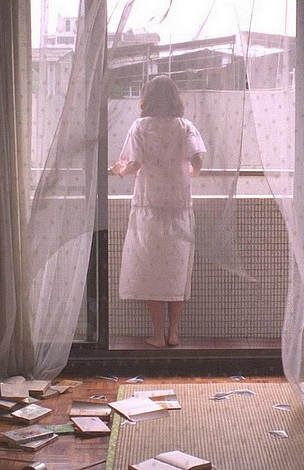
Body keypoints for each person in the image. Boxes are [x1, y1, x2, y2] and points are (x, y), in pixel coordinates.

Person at [109, 75, 206, 348]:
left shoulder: (140, 126)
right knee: (177, 270)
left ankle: (158, 334)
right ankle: (174, 333)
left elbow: (134, 164)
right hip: (179, 208)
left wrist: (119, 171)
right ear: (175, 98)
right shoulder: (185, 127)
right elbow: (197, 160)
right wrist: (190, 172)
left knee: (150, 270)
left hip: (148, 208)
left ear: (147, 98)